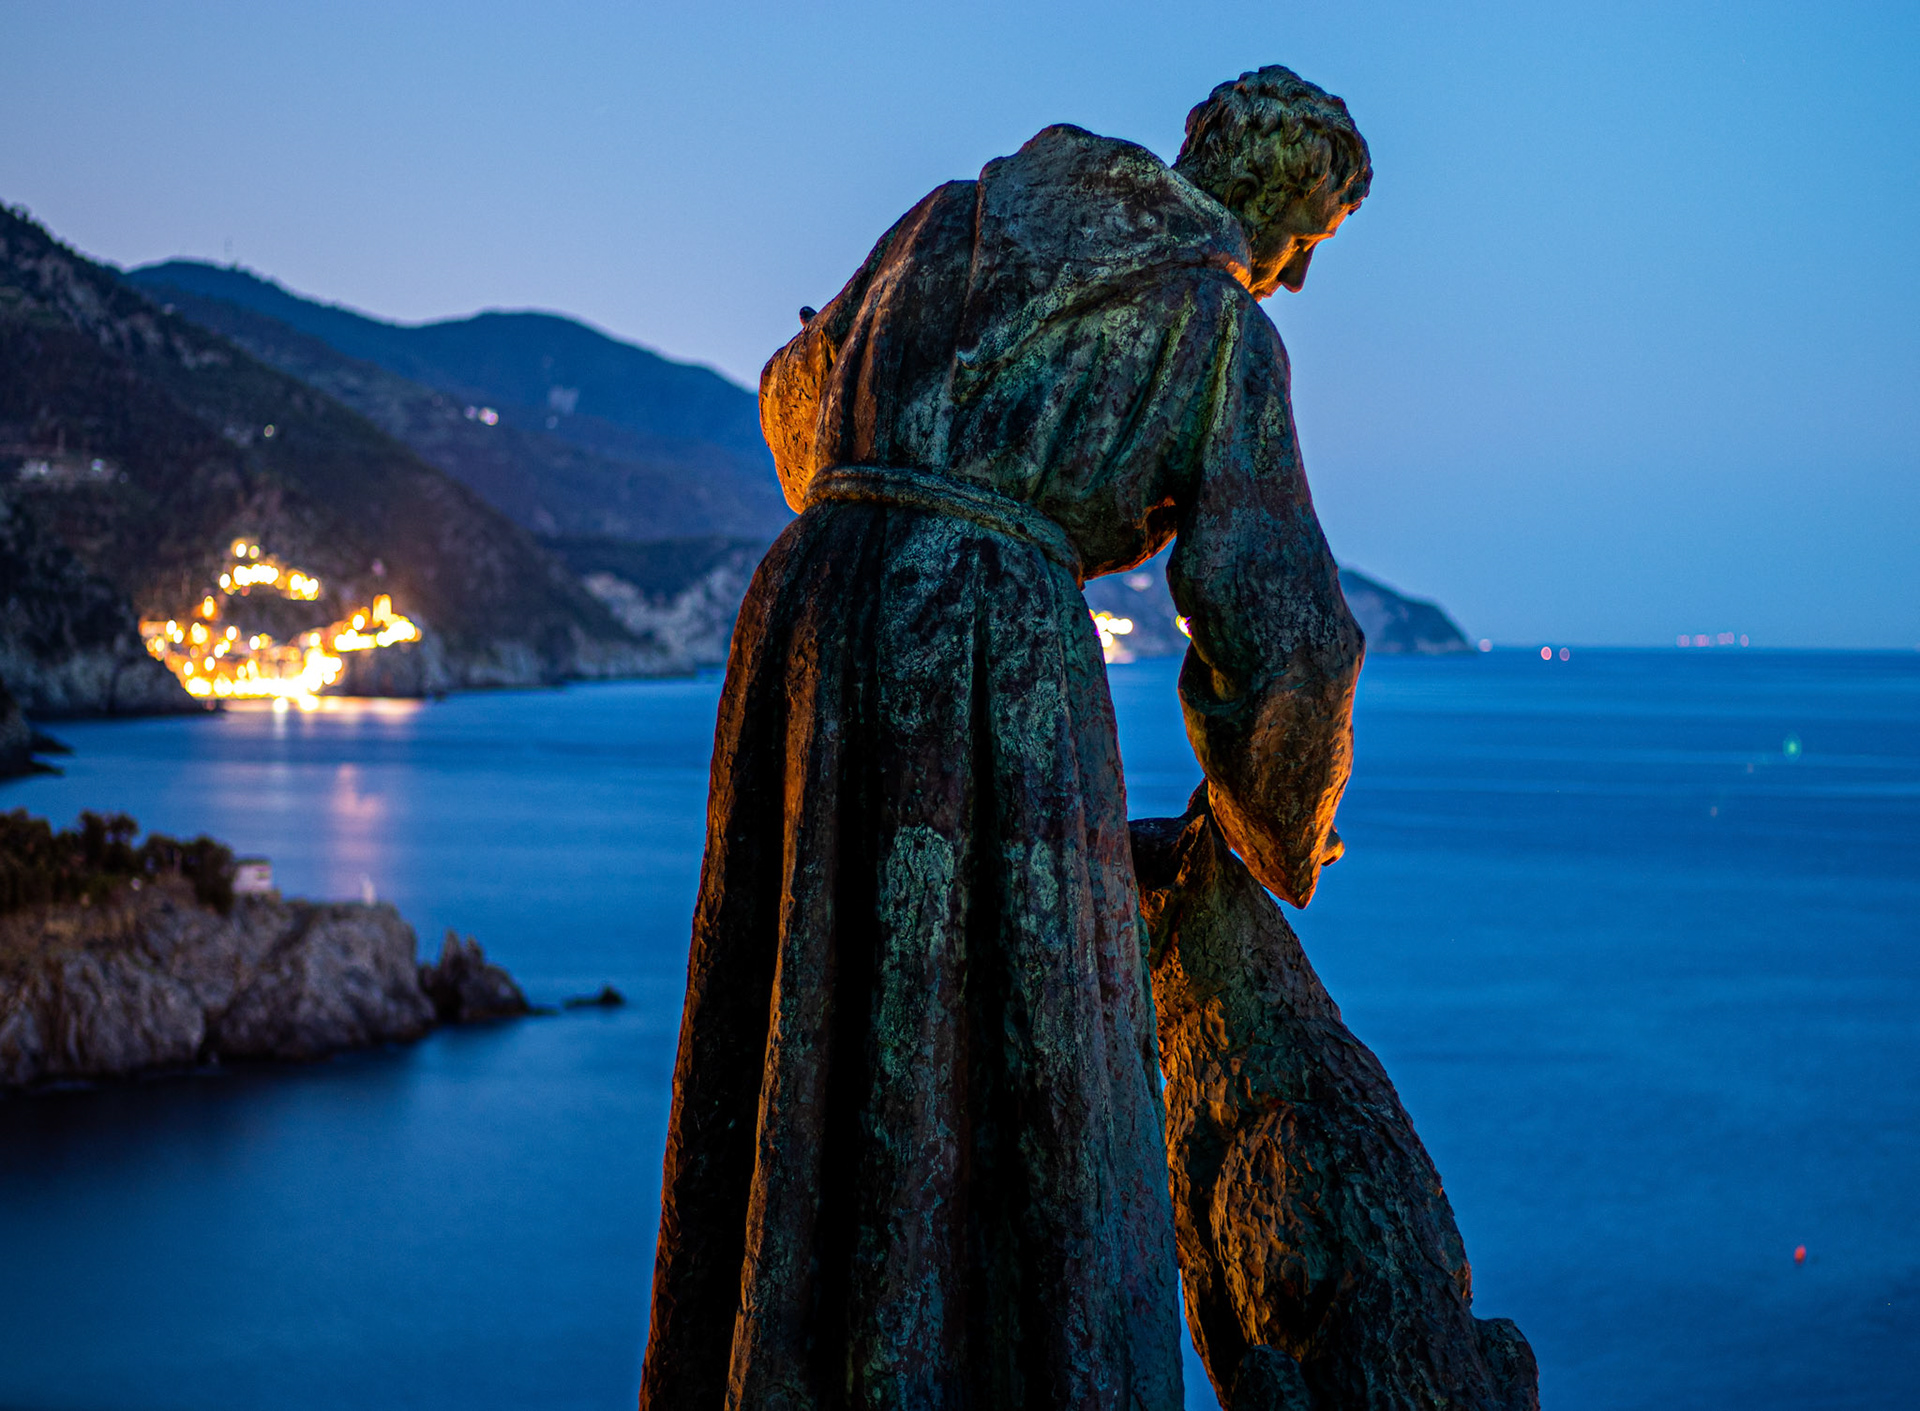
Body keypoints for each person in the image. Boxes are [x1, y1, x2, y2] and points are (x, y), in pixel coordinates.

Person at [640, 65, 1369, 1409]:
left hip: (812, 613)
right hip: (986, 645)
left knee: (809, 1006)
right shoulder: (1215, 324)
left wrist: (894, 488)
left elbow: (794, 396)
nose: (1300, 279)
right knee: (1021, 1050)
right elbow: (1287, 627)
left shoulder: (952, 217)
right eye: (1311, 242)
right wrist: (1280, 827)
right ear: (1269, 201)